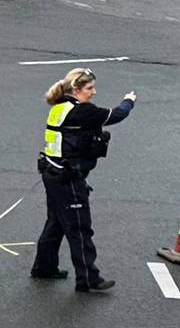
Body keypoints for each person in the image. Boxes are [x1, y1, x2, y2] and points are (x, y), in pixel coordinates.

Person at [32, 68, 136, 292]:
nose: (94, 92)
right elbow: (115, 115)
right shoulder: (82, 112)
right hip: (68, 177)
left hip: (52, 172)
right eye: (90, 88)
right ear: (76, 90)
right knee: (79, 227)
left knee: (56, 222)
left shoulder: (59, 107)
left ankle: (44, 267)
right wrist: (129, 101)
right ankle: (88, 278)